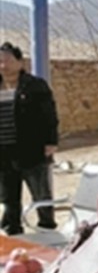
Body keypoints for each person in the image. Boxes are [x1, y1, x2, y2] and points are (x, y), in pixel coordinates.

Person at [0, 42, 59, 235]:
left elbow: (49, 115)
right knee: (8, 196)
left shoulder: (35, 86)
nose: (3, 65)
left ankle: (47, 228)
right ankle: (12, 228)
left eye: (8, 61)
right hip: (4, 152)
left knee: (40, 192)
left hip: (30, 148)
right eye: (0, 62)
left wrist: (51, 142)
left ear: (20, 62)